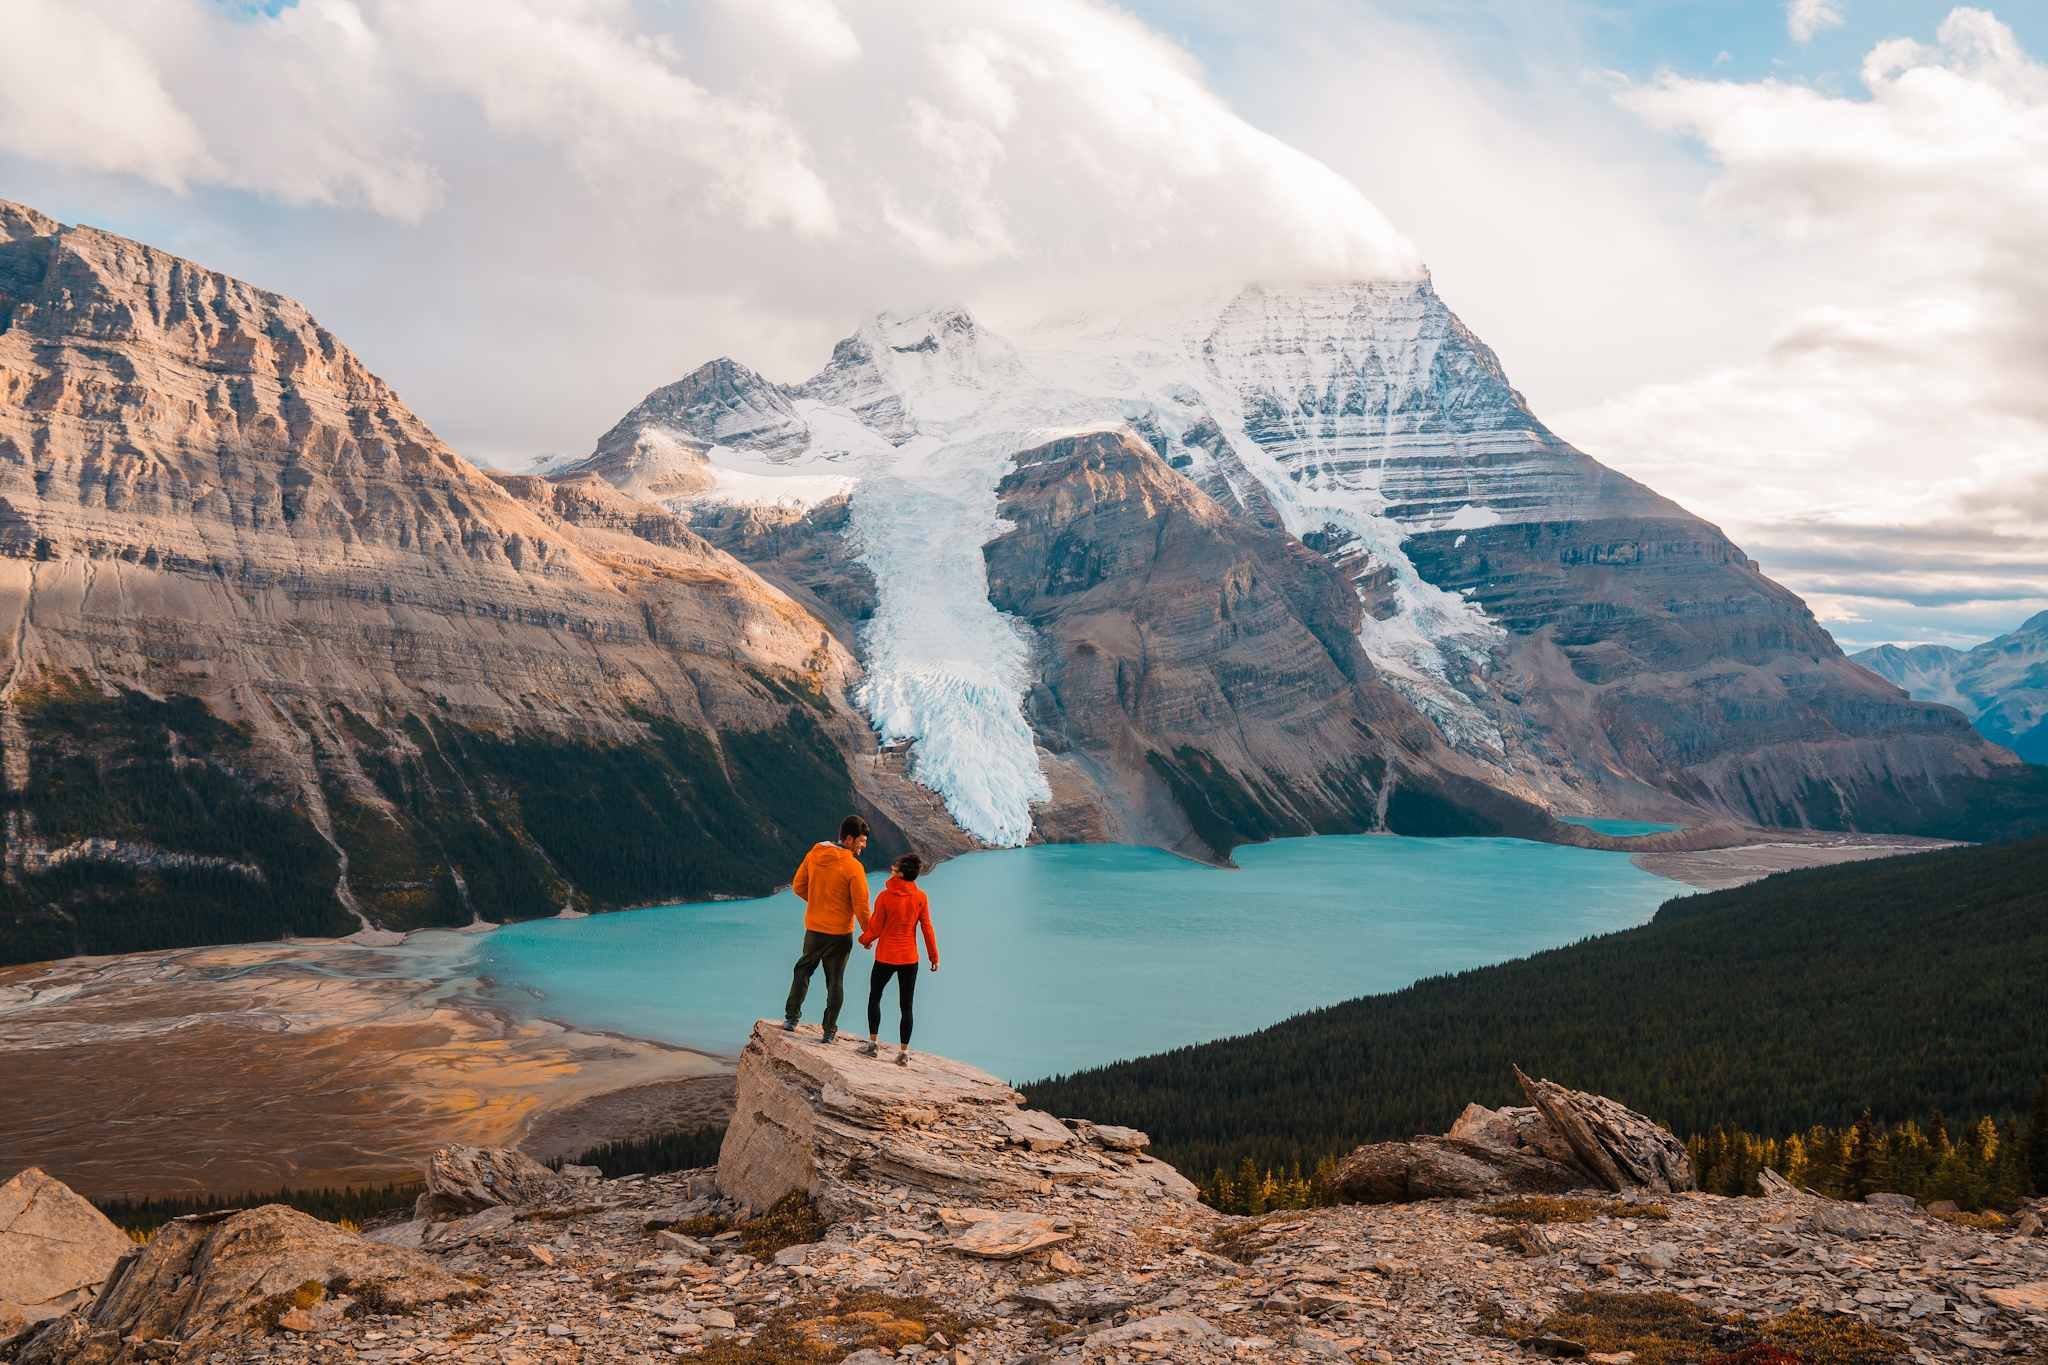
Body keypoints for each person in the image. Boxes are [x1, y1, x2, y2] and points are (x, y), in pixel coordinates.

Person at [784, 814, 872, 1043]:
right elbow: (861, 906)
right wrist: (869, 933)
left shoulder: (815, 853)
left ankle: (791, 1018)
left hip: (814, 930)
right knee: (835, 982)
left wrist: (817, 901)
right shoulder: (854, 867)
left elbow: (798, 886)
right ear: (850, 839)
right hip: (840, 935)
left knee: (802, 971)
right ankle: (828, 1031)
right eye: (861, 842)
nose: (863, 847)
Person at [857, 852, 939, 1065]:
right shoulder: (921, 898)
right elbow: (927, 928)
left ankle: (873, 1045)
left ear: (901, 873)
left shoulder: (885, 897)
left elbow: (876, 927)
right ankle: (903, 1053)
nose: (892, 868)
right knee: (907, 1006)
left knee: (875, 997)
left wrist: (864, 939)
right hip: (909, 959)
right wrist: (933, 956)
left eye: (896, 867)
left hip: (885, 956)